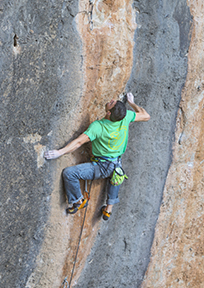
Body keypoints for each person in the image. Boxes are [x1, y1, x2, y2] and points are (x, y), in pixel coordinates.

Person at [44, 92, 150, 220]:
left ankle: (78, 200)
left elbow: (78, 142)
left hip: (102, 166)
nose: (111, 100)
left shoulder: (98, 127)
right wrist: (132, 103)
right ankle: (108, 209)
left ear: (109, 113)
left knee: (69, 173)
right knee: (117, 173)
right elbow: (146, 116)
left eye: (111, 103)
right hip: (116, 163)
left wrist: (59, 152)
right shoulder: (125, 117)